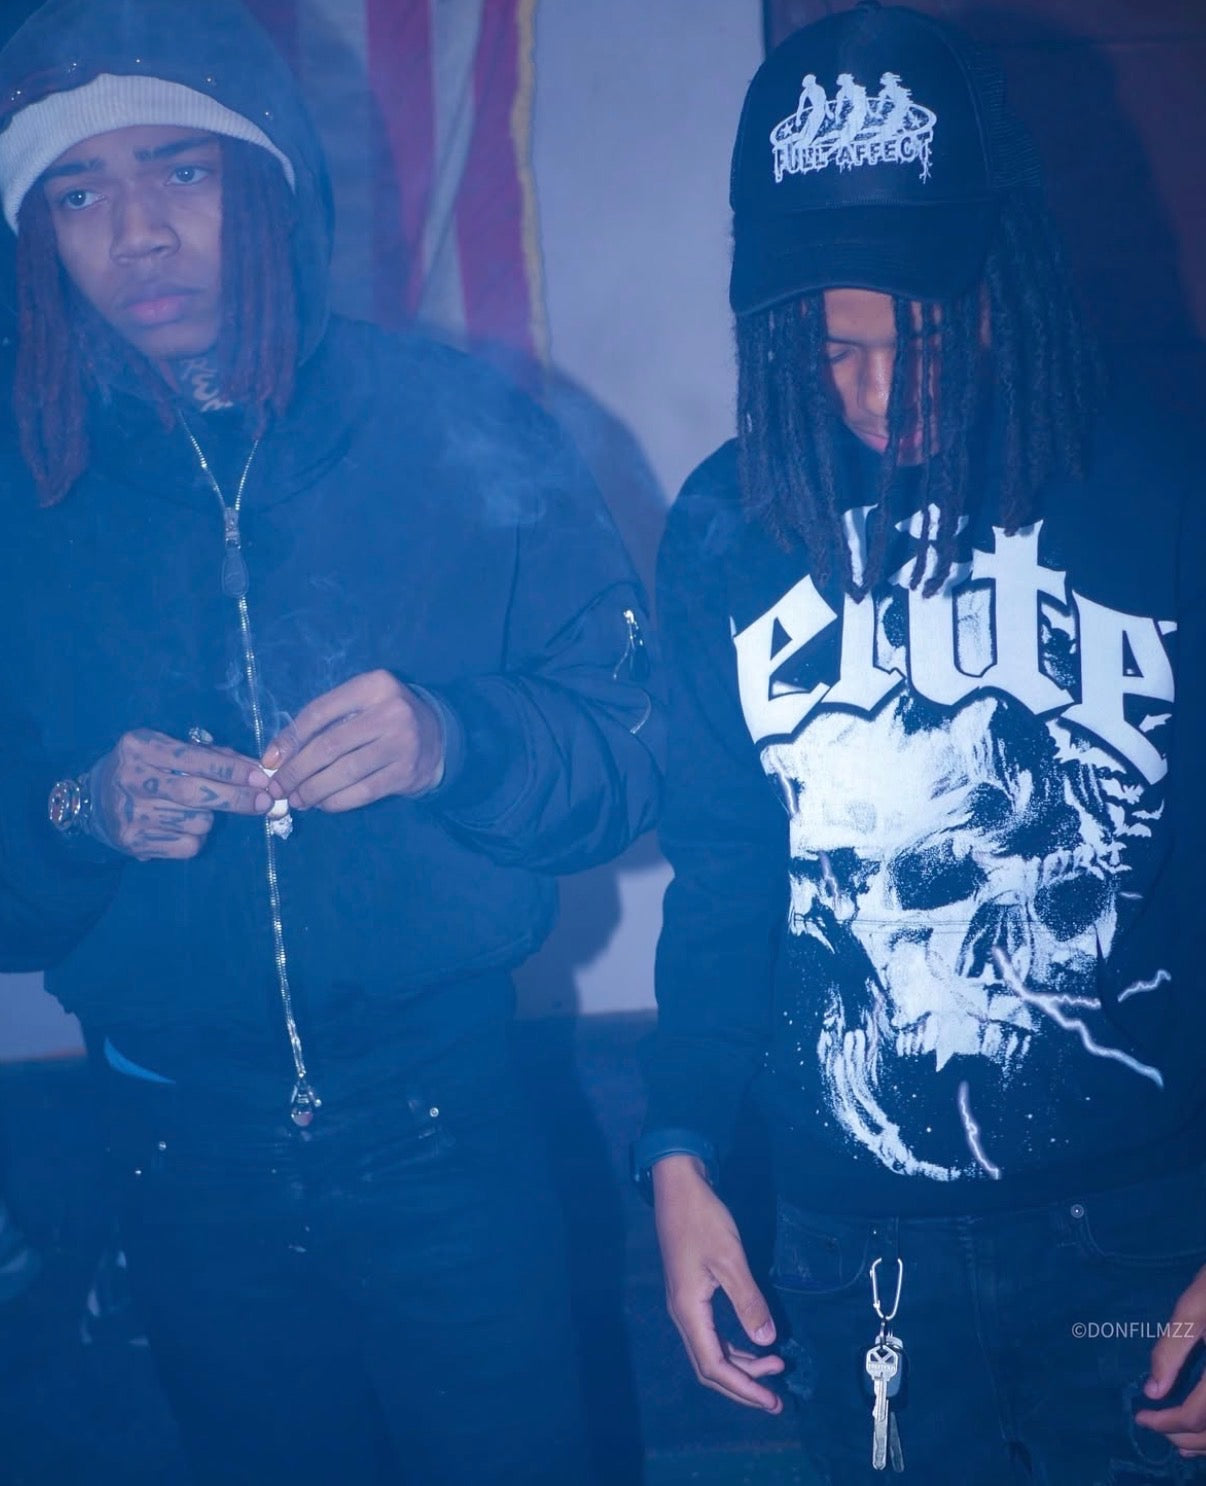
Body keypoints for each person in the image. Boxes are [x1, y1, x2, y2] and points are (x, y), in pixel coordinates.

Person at [0, 1, 662, 1481]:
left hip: (449, 1128)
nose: (138, 235)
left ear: (269, 180)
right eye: (79, 193)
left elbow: (636, 752)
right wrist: (75, 809)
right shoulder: (20, 483)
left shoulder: (453, 423)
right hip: (174, 1151)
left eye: (180, 170)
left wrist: (457, 740)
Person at [636, 3, 1206, 1481]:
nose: (884, 394)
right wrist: (678, 1152)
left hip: (1141, 1240)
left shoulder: (1163, 484)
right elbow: (725, 875)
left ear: (1009, 279)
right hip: (850, 1247)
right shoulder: (728, 524)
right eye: (834, 349)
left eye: (927, 335)